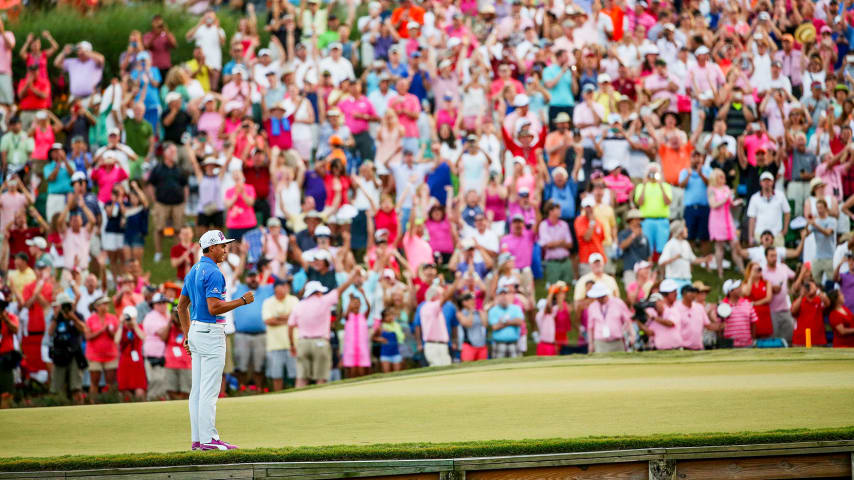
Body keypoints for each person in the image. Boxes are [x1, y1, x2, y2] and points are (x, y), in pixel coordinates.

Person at [177, 229, 256, 451]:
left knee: (198, 390)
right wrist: (242, 300)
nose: (225, 249)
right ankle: (209, 439)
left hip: (197, 331)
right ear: (211, 248)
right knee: (209, 391)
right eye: (222, 246)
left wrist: (187, 334)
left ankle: (198, 440)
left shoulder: (194, 270)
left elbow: (181, 306)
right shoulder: (214, 272)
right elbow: (214, 307)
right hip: (210, 333)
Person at [288, 274, 358, 388]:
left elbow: (290, 326)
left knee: (301, 379)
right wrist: (352, 277)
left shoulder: (298, 305)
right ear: (317, 292)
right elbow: (340, 290)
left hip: (302, 343)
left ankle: (298, 404)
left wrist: (291, 345)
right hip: (320, 343)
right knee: (321, 379)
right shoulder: (324, 300)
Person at [231, 269, 274, 389]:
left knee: (259, 366)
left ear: (259, 278)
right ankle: (241, 390)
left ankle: (259, 391)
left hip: (261, 334)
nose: (253, 279)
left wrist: (268, 270)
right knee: (241, 366)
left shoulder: (266, 289)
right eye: (250, 276)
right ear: (246, 279)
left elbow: (281, 281)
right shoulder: (238, 289)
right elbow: (233, 276)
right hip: (242, 334)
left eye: (255, 276)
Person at [47, 292, 88, 404]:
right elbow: (50, 332)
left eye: (66, 304)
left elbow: (84, 329)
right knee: (56, 388)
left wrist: (73, 318)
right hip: (60, 354)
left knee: (76, 387)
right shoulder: (56, 317)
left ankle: (80, 410)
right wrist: (56, 317)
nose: (65, 308)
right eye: (62, 305)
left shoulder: (77, 315)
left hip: (74, 353)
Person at [262, 278, 298, 391]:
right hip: (274, 345)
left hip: (292, 345)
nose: (284, 288)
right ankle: (278, 397)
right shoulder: (268, 302)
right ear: (275, 288)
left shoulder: (294, 299)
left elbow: (297, 318)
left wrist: (278, 317)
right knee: (276, 376)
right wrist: (288, 319)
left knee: (295, 375)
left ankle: (296, 398)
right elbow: (268, 321)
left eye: (286, 286)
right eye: (282, 286)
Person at [85, 296, 119, 403]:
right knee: (94, 382)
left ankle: (110, 403)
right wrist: (101, 331)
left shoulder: (113, 318)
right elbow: (87, 336)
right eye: (103, 304)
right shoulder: (90, 319)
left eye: (107, 304)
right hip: (94, 356)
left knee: (111, 383)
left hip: (110, 355)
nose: (106, 306)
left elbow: (116, 337)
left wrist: (109, 332)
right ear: (97, 307)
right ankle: (92, 404)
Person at [584, 282, 633, 353]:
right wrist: (591, 344)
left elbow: (628, 321)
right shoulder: (592, 307)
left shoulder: (618, 303)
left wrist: (632, 335)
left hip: (617, 341)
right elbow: (590, 327)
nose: (598, 299)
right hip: (600, 342)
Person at [114, 305, 147, 401]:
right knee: (124, 391)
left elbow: (143, 337)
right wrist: (121, 324)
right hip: (125, 361)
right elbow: (116, 340)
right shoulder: (121, 328)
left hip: (137, 363)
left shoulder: (139, 326)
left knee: (140, 391)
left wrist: (134, 324)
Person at [487, 286, 525, 359]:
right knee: (498, 367)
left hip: (514, 343)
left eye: (505, 294)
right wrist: (511, 322)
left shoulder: (515, 308)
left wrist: (504, 322)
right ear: (497, 297)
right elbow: (495, 327)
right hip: (499, 344)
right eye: (501, 294)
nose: (504, 297)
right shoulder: (493, 310)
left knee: (517, 366)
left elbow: (520, 321)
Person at [0, 292, 19, 409]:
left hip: (5, 358)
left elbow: (15, 329)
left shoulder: (10, 316)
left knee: (6, 394)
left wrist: (5, 319)